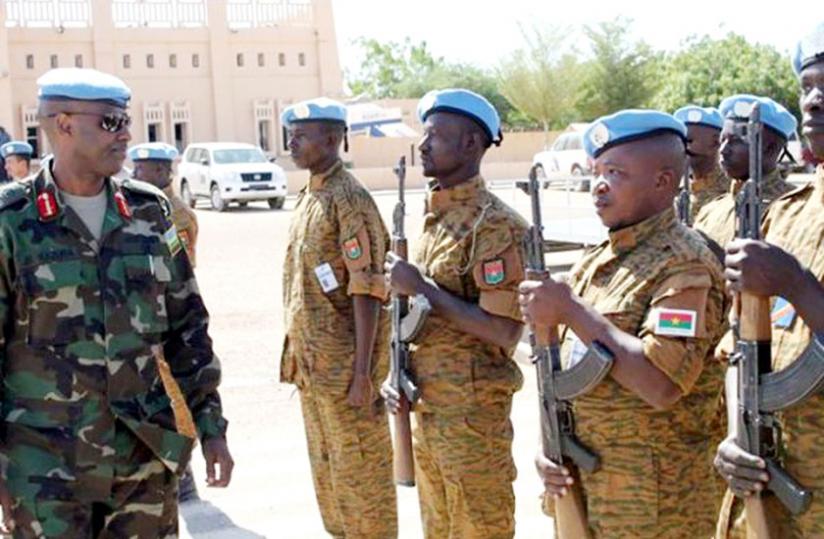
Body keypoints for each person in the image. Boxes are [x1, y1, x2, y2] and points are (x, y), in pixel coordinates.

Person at [0, 67, 233, 537]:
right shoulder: (10, 222)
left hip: (142, 467)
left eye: (126, 120)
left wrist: (212, 428)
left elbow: (187, 327)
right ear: (63, 124)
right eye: (110, 121)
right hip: (44, 476)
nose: (126, 133)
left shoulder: (149, 212)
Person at [520, 110, 727, 538]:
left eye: (615, 173)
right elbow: (559, 373)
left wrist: (571, 311)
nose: (599, 184)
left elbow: (661, 383)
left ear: (663, 182)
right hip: (588, 483)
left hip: (658, 505)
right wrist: (550, 449)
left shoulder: (685, 264)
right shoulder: (598, 260)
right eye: (597, 171)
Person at [382, 88, 527, 539]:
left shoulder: (496, 225)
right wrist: (396, 376)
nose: (422, 146)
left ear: (470, 145)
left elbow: (504, 331)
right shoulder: (433, 219)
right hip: (427, 408)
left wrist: (422, 287)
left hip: (471, 420)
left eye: (434, 137)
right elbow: (411, 322)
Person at [713, 22, 824, 538]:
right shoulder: (785, 215)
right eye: (807, 88)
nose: (814, 101)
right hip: (768, 483)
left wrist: (796, 284)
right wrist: (737, 434)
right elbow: (738, 348)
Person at [279, 97, 397, 538]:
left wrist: (363, 374)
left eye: (301, 136)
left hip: (348, 373)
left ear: (332, 139)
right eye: (291, 134)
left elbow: (366, 288)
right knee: (331, 479)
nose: (292, 143)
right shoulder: (311, 195)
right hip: (315, 370)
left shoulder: (349, 199)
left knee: (363, 481)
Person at [128, 141, 200, 503]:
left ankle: (184, 473)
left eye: (143, 169)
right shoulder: (140, 206)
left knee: (177, 397)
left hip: (169, 321)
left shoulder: (177, 215)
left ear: (162, 171)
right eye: (135, 168)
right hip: (144, 321)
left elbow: (179, 276)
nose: (136, 174)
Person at [693, 95, 797, 247]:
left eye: (736, 141)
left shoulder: (792, 210)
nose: (723, 150)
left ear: (770, 148)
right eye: (722, 140)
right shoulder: (711, 211)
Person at [128, 142, 198, 266]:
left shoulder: (178, 213)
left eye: (139, 168)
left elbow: (180, 262)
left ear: (159, 170)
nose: (133, 174)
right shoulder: (135, 203)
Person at [673, 105, 729, 219]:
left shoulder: (731, 188)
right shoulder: (675, 189)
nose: (683, 148)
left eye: (689, 140)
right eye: (679, 142)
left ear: (715, 142)